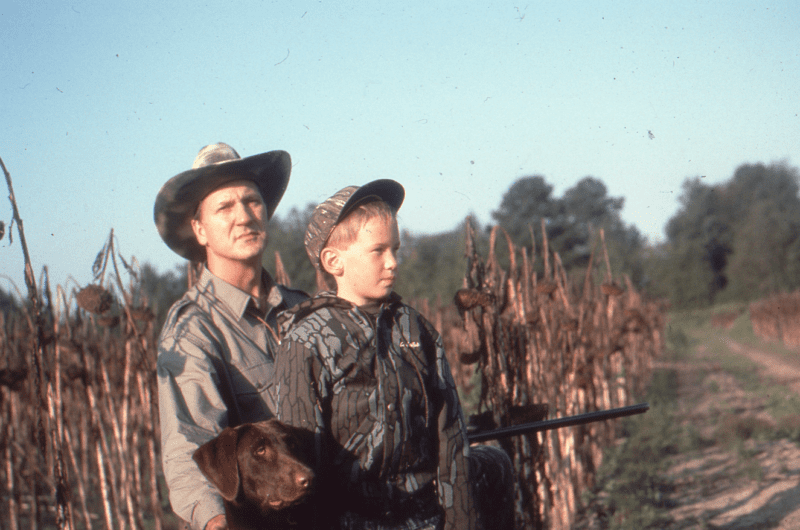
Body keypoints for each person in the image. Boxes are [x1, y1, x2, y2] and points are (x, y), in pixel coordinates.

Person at [271, 180, 514, 530]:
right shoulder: (305, 342)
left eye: (396, 249)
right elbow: (303, 461)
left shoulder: (416, 330)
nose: (392, 263)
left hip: (424, 517)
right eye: (378, 250)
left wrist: (462, 522)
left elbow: (450, 435)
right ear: (333, 261)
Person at [154, 143, 308, 530]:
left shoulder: (303, 311)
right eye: (224, 207)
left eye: (252, 202)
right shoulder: (192, 330)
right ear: (200, 230)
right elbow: (189, 444)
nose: (244, 216)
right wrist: (215, 523)